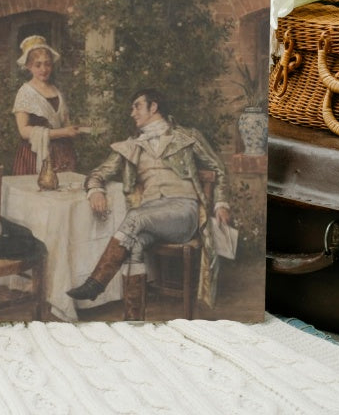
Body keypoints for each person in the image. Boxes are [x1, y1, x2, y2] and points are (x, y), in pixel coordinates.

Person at [66, 87, 231, 320]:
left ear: (153, 107)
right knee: (134, 245)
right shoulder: (132, 145)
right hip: (150, 214)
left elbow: (218, 168)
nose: (132, 113)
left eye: (137, 106)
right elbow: (99, 172)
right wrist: (95, 190)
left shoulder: (187, 136)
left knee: (135, 217)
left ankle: (96, 283)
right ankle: (133, 320)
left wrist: (221, 203)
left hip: (184, 213)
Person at [12, 34, 87, 175]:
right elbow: (23, 131)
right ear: (28, 66)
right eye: (38, 65)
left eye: (47, 64)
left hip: (63, 153)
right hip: (34, 154)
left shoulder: (56, 91)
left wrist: (74, 129)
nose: (44, 69)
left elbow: (65, 122)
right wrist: (63, 132)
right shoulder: (25, 92)